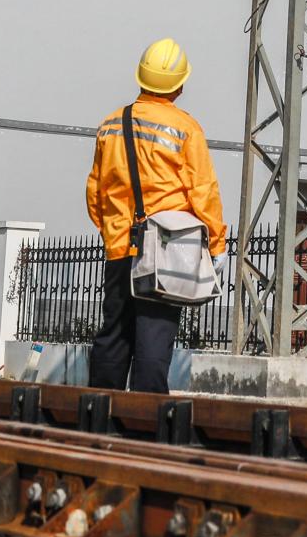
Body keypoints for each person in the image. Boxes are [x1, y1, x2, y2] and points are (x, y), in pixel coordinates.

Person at [84, 36, 226, 392]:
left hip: (119, 248)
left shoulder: (112, 124)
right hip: (164, 251)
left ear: (141, 78)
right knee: (154, 339)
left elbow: (95, 191)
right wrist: (217, 245)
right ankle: (144, 425)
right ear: (179, 85)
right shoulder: (185, 128)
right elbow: (202, 191)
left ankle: (100, 414)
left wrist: (112, 232)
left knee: (114, 335)